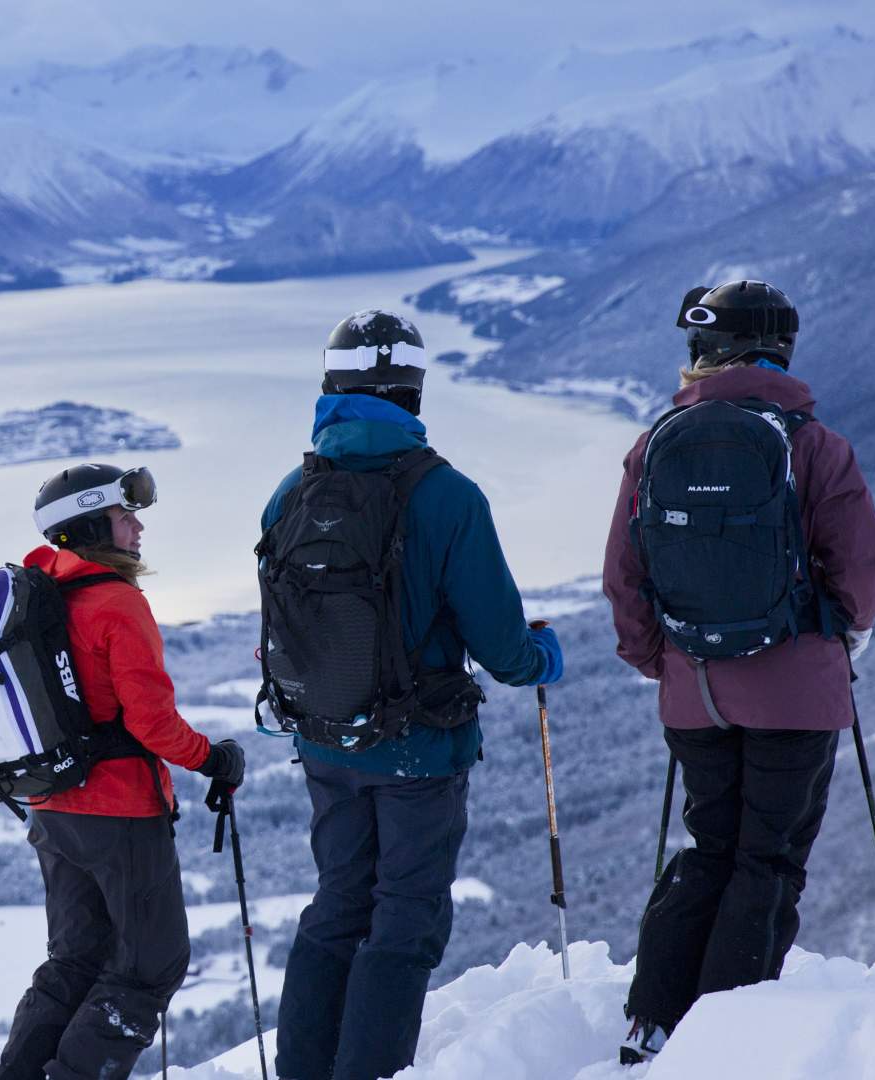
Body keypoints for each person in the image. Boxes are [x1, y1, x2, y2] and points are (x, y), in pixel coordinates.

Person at [262, 311, 564, 1080]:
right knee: (402, 922)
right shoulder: (447, 497)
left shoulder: (292, 493)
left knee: (335, 910)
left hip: (325, 739)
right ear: (412, 393)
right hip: (419, 751)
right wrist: (544, 658)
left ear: (333, 387)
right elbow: (502, 649)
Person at [604, 280, 875, 1064]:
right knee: (766, 860)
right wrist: (846, 632)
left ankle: (651, 1021)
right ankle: (724, 1039)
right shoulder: (815, 445)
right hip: (796, 695)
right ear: (780, 348)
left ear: (705, 352)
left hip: (692, 691)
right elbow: (864, 572)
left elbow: (624, 578)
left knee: (710, 849)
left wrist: (655, 660)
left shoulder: (659, 440)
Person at [0, 462, 247, 1080]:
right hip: (119, 813)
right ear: (91, 525)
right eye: (124, 515)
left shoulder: (40, 593)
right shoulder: (115, 602)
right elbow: (153, 726)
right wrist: (214, 759)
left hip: (52, 807)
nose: (137, 526)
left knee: (74, 960)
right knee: (150, 964)